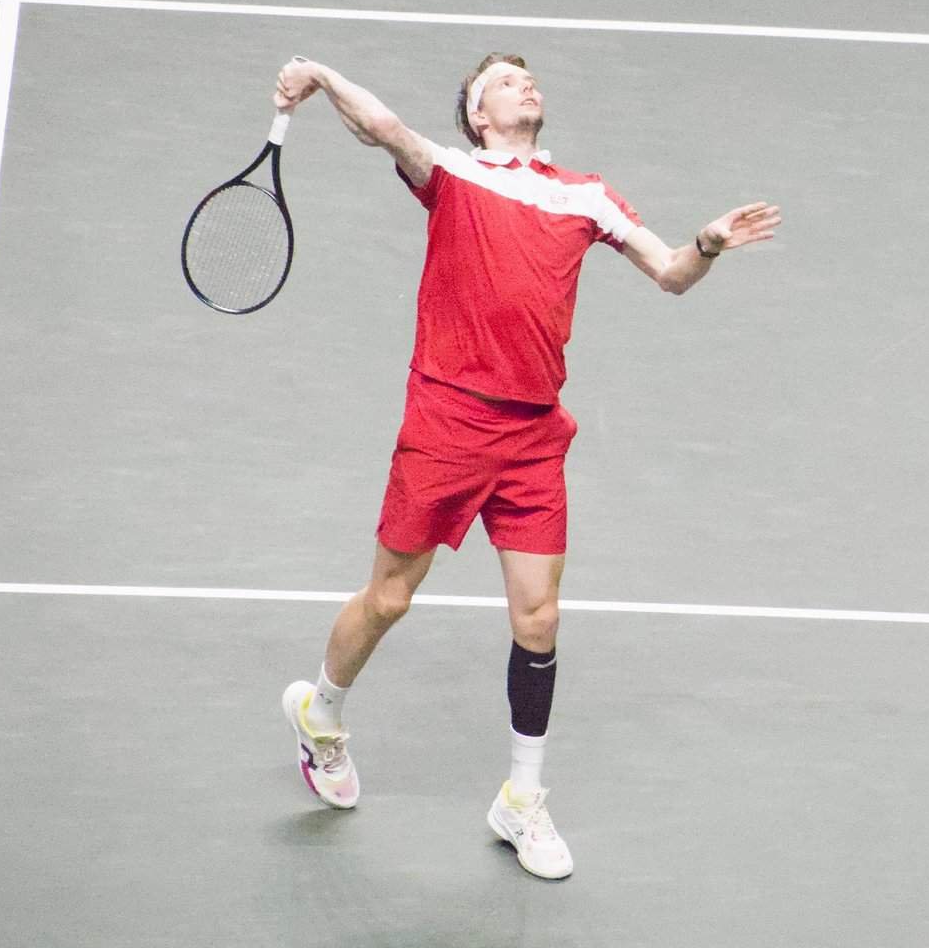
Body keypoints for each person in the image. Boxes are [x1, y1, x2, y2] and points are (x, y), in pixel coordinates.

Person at [272, 52, 780, 880]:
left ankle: (521, 799)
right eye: (505, 81)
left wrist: (709, 242)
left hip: (533, 434)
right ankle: (319, 711)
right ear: (477, 115)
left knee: (538, 620)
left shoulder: (585, 195)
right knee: (391, 595)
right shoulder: (452, 173)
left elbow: (670, 273)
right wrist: (324, 77)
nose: (526, 85)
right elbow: (381, 126)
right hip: (445, 419)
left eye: (530, 77)